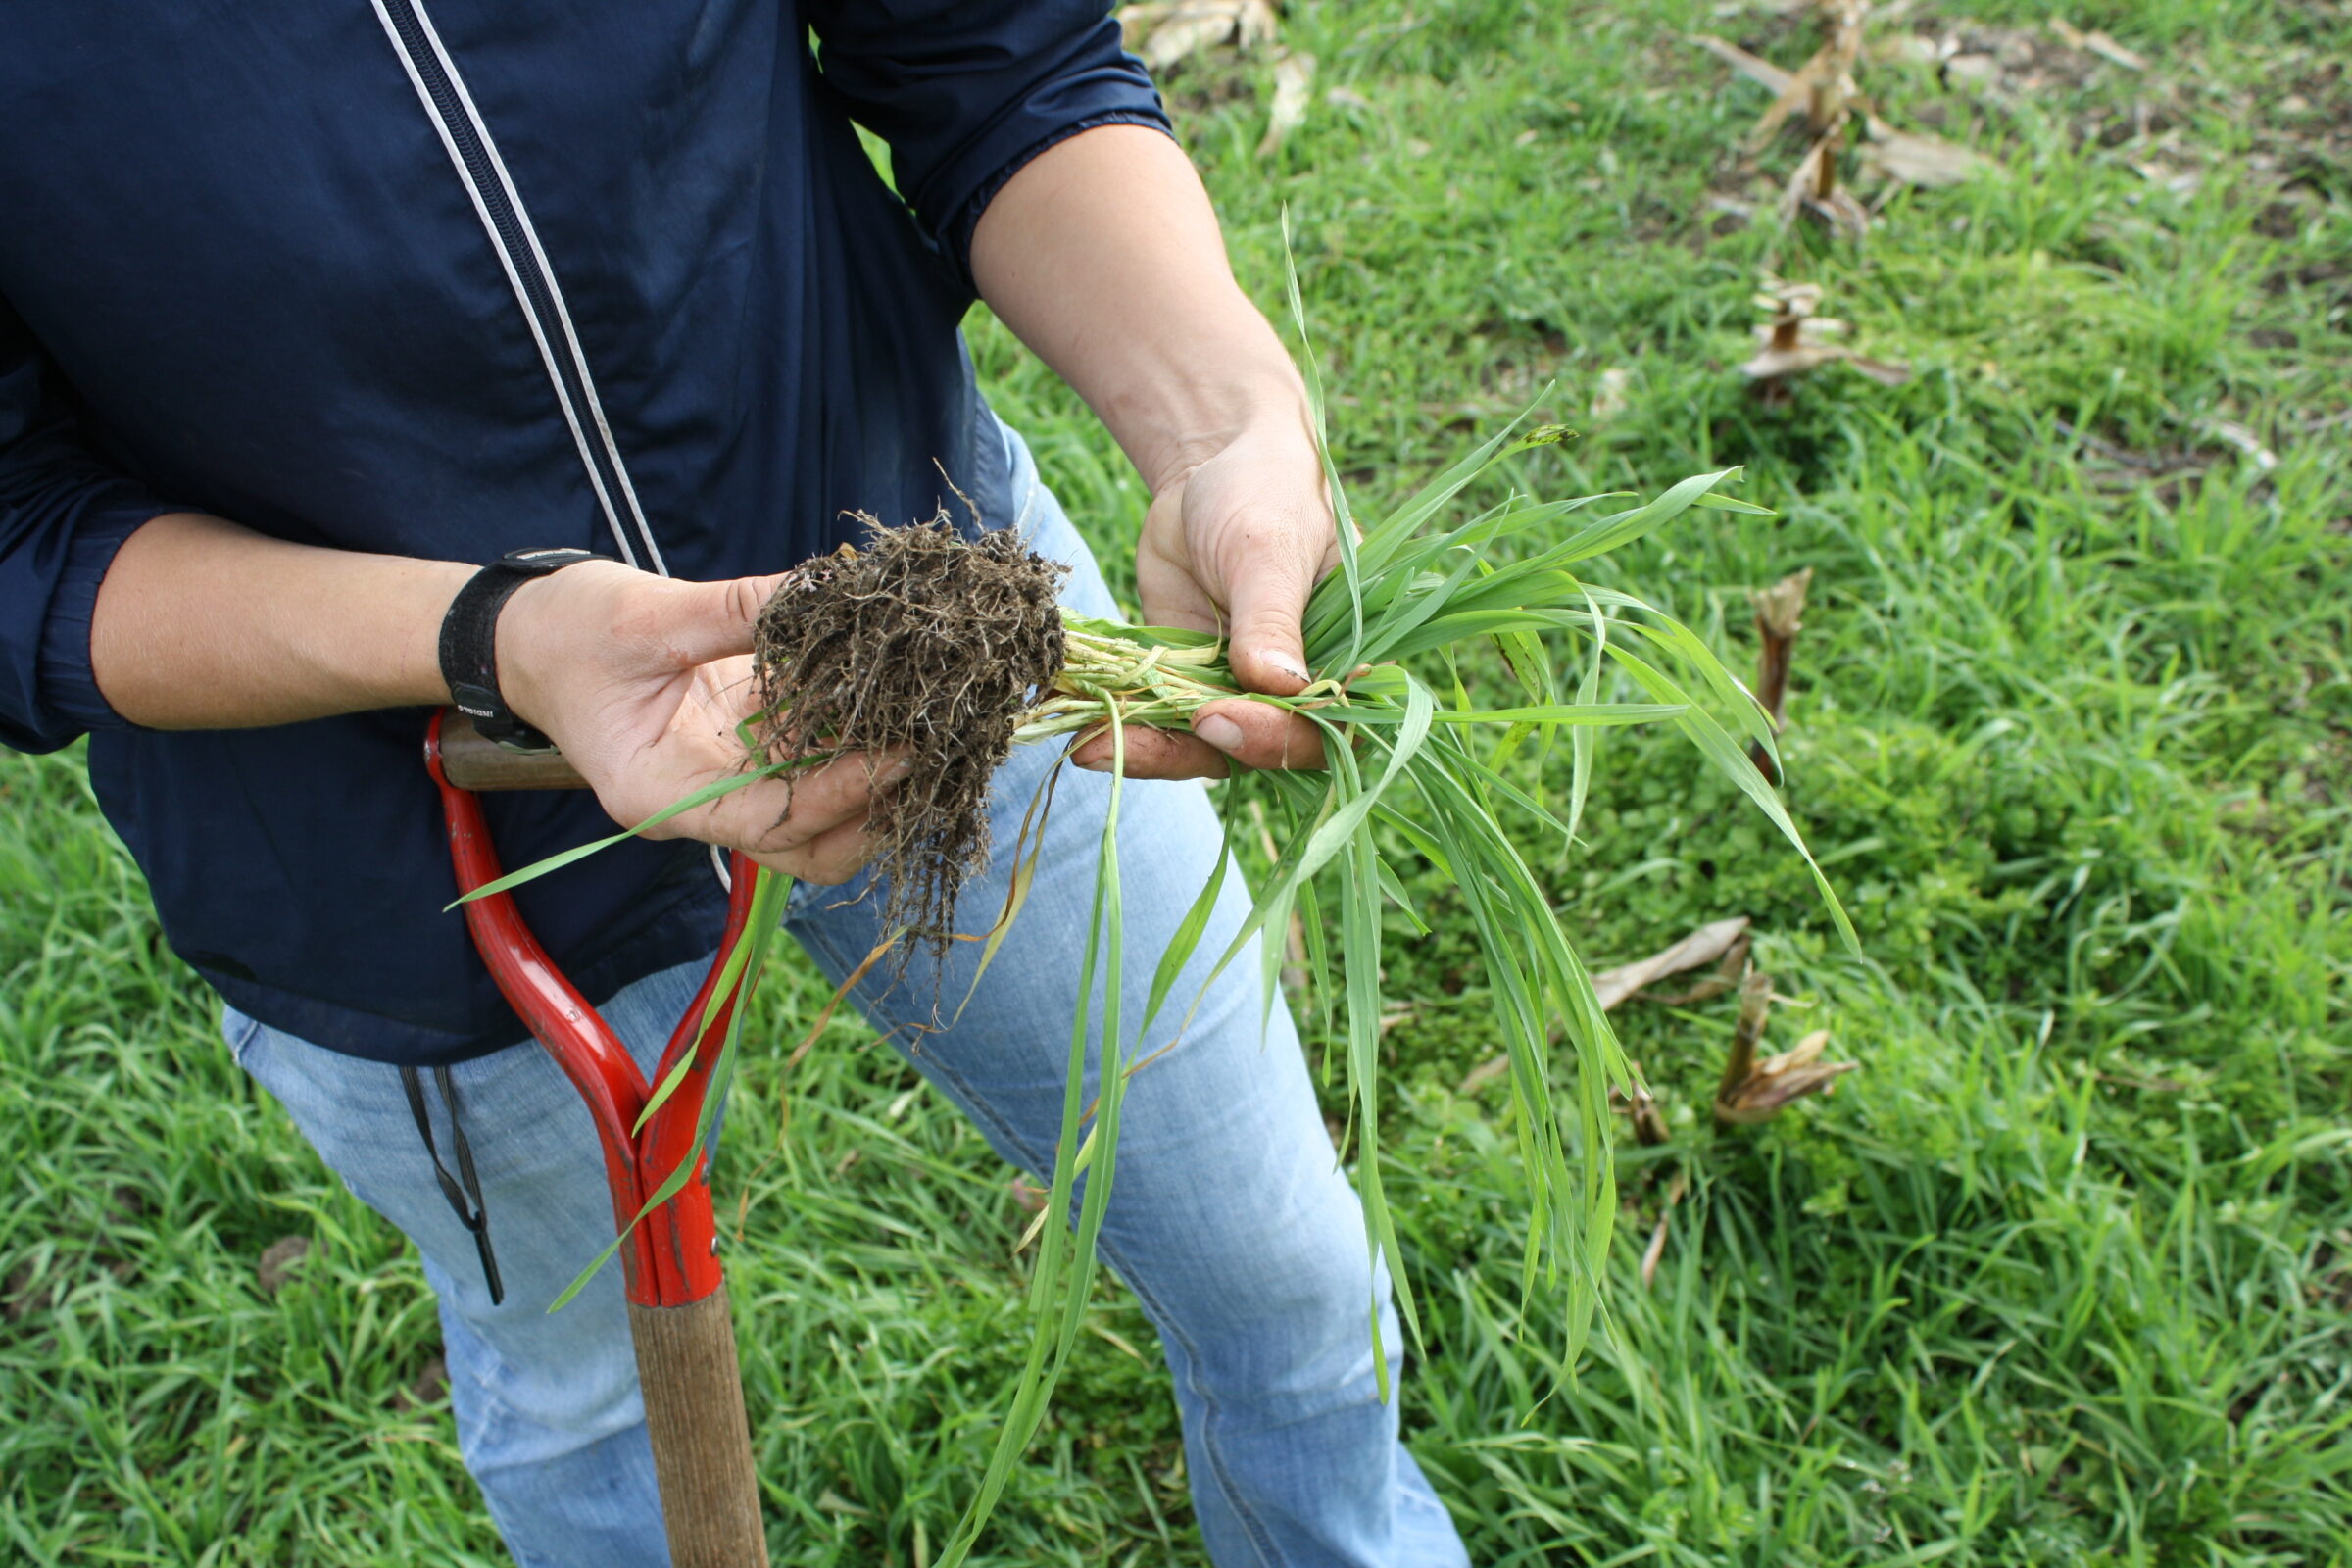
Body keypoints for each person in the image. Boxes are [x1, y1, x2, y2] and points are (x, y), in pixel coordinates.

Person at [0, 5, 1470, 1564]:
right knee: (587, 1405)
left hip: (944, 639)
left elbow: (999, 56)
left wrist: (1221, 419)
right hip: (393, 828)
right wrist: (493, 629)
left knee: (1285, 1278)